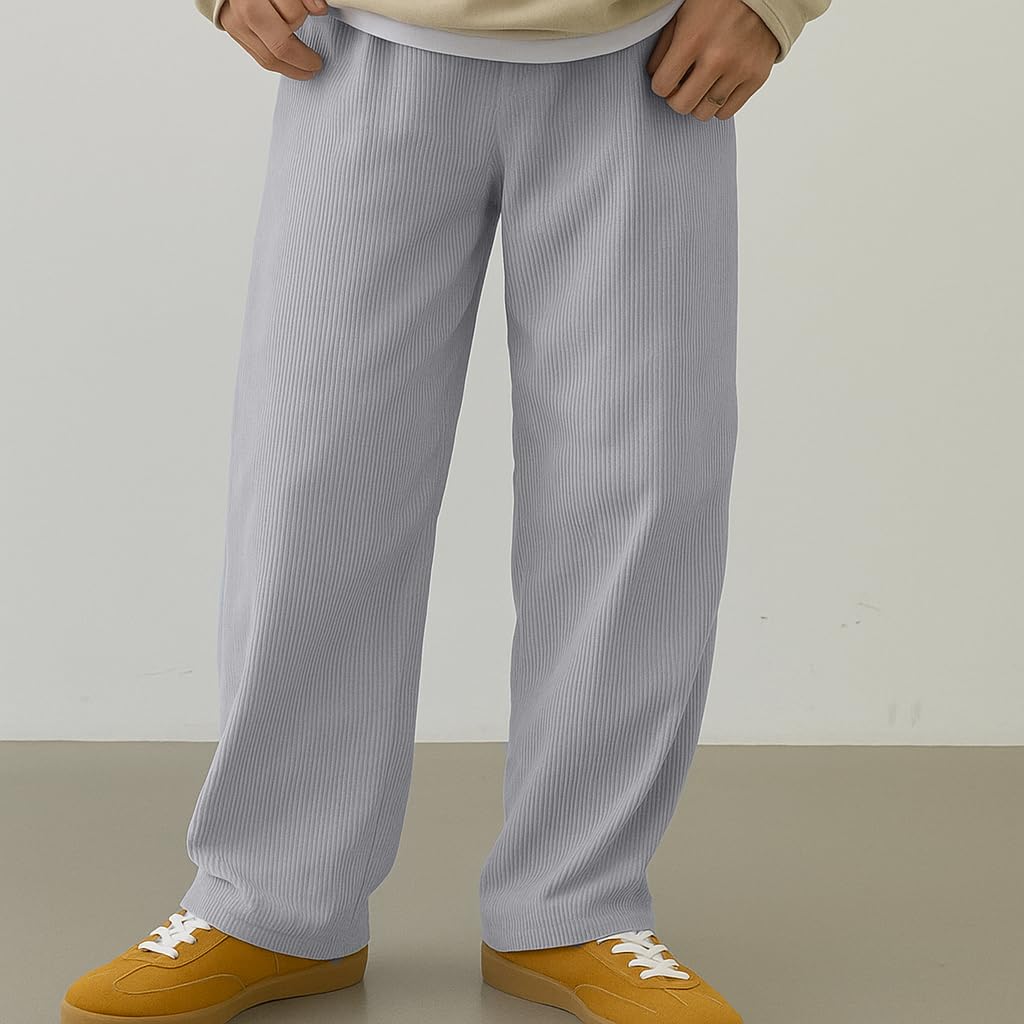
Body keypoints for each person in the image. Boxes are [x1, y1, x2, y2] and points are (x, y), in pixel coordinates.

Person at [61, 0, 829, 1021]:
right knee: (315, 484)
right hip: (361, 48)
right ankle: (271, 901)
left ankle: (577, 904)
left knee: (638, 488)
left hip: (646, 62)